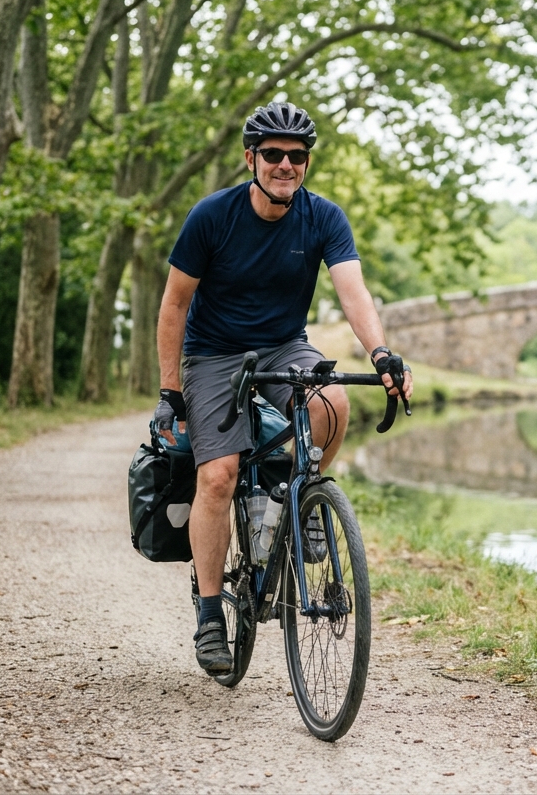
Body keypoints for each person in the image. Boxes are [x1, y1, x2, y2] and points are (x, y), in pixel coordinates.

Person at [153, 100, 412, 674]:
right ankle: (210, 612)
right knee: (217, 475)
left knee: (335, 403)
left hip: (283, 344)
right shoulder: (212, 216)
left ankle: (301, 500)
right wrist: (172, 389)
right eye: (273, 154)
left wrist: (382, 353)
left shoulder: (323, 218)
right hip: (214, 352)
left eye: (296, 157)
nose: (285, 165)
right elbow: (175, 303)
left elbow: (352, 292)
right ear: (251, 158)